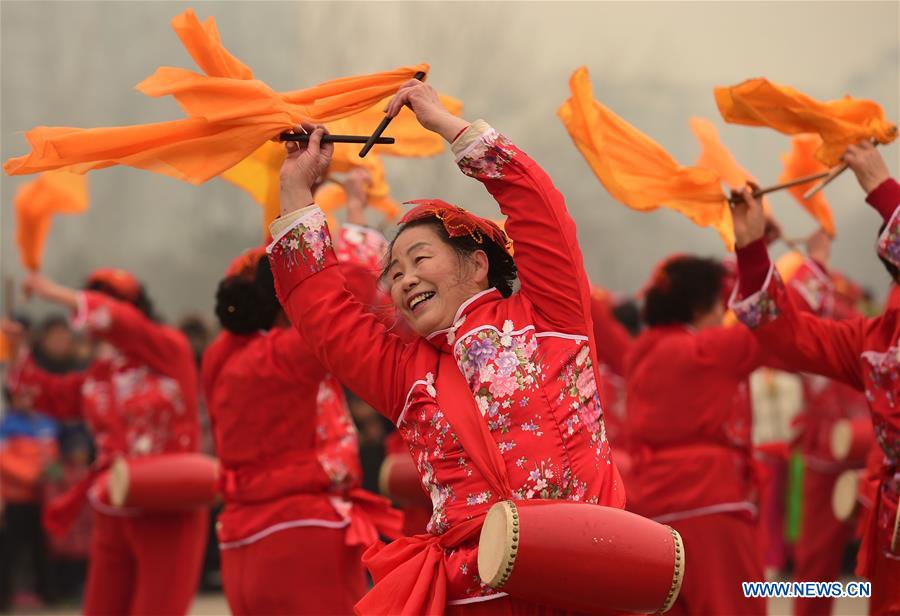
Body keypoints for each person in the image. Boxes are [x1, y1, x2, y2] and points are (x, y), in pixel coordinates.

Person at [268, 80, 624, 614]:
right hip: (476, 594)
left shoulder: (552, 318)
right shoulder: (401, 370)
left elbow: (539, 207)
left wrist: (445, 125)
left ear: (476, 263)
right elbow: (321, 312)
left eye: (419, 259)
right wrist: (297, 190)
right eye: (394, 273)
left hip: (584, 576)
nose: (404, 279)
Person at [202, 171, 401, 616]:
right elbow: (351, 293)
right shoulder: (288, 355)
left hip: (238, 540)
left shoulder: (219, 357)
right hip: (300, 534)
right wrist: (349, 212)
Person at [729, 139, 900, 615]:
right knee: (814, 570)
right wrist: (752, 249)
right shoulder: (873, 339)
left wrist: (882, 190)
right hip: (866, 494)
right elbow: (784, 333)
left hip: (850, 458)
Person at [2, 268, 207, 616]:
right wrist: (18, 352)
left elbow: (120, 322)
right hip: (112, 505)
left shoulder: (169, 350)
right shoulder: (101, 373)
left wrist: (52, 291)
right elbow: (46, 396)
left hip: (167, 506)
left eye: (107, 302)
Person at [624, 253, 774, 615]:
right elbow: (772, 322)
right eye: (720, 306)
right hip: (713, 505)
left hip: (651, 514)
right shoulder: (710, 349)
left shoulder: (639, 354)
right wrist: (752, 252)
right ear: (699, 306)